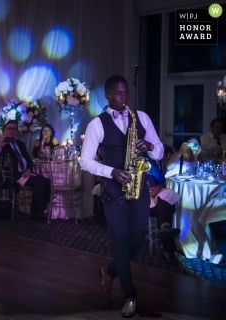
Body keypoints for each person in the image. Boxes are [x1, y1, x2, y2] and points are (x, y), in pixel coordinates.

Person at [79, 74, 164, 318]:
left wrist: (148, 147)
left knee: (138, 237)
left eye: (126, 92)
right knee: (120, 239)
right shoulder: (96, 124)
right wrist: (112, 171)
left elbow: (159, 151)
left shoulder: (142, 118)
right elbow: (85, 161)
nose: (124, 96)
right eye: (119, 93)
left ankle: (110, 271)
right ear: (107, 95)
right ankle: (130, 295)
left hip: (138, 185)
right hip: (113, 190)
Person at [0, 120, 51, 221]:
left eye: (14, 128)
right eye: (9, 128)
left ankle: (40, 210)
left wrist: (28, 169)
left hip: (26, 173)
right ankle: (35, 214)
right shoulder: (0, 145)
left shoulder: (20, 144)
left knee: (47, 182)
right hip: (14, 176)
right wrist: (0, 147)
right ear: (4, 131)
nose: (12, 131)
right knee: (40, 183)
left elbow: (29, 160)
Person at [147, 173, 181, 265]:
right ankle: (169, 249)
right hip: (144, 203)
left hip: (158, 198)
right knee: (164, 212)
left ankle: (165, 228)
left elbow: (159, 180)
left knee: (164, 203)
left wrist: (156, 187)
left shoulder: (151, 169)